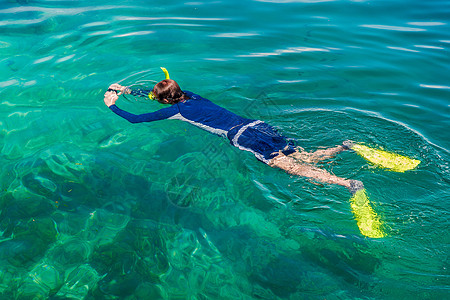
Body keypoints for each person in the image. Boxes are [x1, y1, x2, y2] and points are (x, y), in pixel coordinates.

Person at [104, 79, 364, 194]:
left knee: (287, 166)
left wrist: (112, 104)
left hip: (243, 137)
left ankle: (346, 183)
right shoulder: (191, 95)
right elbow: (158, 94)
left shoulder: (177, 112)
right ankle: (343, 147)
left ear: (164, 101)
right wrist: (126, 89)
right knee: (302, 156)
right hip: (258, 125)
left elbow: (135, 119)